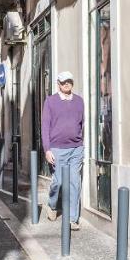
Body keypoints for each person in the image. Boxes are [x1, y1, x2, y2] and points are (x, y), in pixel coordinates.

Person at [41, 71, 85, 228]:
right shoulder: (51, 102)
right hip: (57, 149)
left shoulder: (79, 101)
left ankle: (73, 218)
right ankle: (52, 205)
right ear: (58, 84)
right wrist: (47, 149)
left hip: (76, 149)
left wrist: (81, 142)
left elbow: (82, 123)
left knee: (75, 182)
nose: (67, 84)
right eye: (64, 81)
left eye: (69, 81)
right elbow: (45, 127)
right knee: (57, 182)